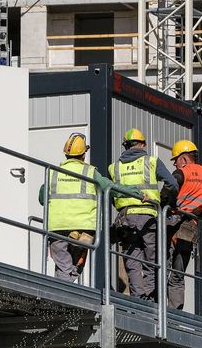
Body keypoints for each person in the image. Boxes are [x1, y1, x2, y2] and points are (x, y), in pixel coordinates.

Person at [109, 127, 179, 300]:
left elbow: (109, 192)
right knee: (152, 261)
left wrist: (120, 205)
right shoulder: (151, 161)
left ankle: (138, 299)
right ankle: (150, 300)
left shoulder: (114, 168)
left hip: (125, 218)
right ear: (142, 144)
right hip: (148, 217)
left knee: (132, 261)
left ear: (126, 146)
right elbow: (172, 184)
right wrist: (163, 202)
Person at [38, 132, 103, 281]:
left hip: (57, 227)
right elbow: (108, 188)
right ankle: (63, 289)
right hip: (83, 228)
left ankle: (60, 289)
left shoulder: (53, 173)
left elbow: (42, 198)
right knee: (73, 268)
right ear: (83, 154)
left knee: (63, 266)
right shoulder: (90, 172)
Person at [161, 139, 202, 310]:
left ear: (184, 158)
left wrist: (165, 205)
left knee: (162, 268)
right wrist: (195, 213)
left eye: (176, 160)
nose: (175, 164)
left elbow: (167, 192)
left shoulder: (180, 173)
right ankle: (175, 312)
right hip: (190, 228)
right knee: (178, 274)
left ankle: (158, 309)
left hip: (172, 225)